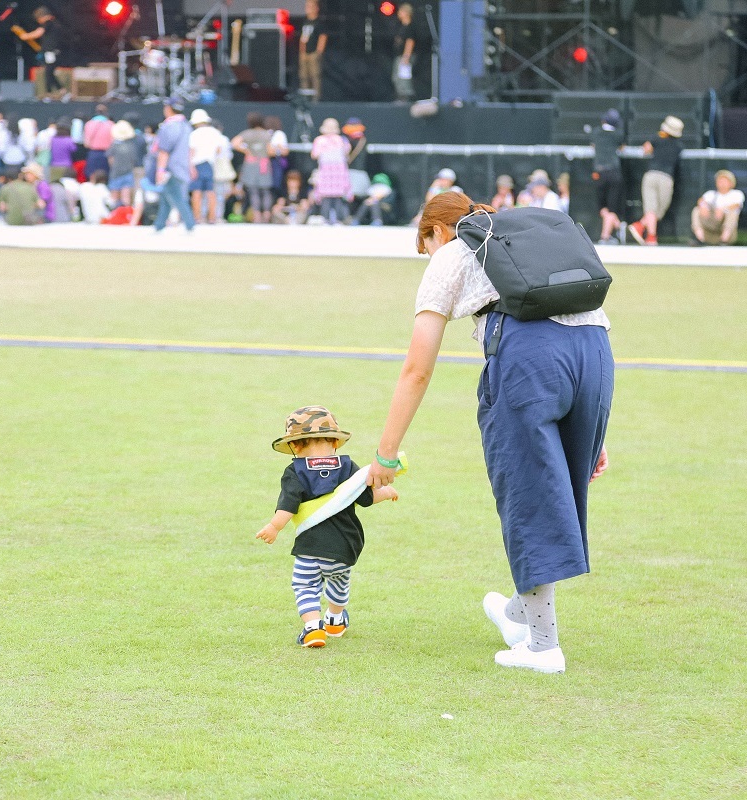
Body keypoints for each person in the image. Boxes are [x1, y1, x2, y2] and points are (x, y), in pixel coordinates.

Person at [367, 191, 613, 673]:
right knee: (552, 493)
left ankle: (544, 648)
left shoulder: (455, 249)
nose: (429, 256)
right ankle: (515, 615)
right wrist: (596, 429)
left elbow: (417, 367)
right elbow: (585, 320)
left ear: (435, 231)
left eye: (426, 246)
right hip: (597, 356)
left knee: (528, 495)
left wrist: (385, 454)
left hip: (529, 359)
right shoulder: (527, 240)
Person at [256, 406, 398, 647]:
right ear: (335, 441)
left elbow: (287, 506)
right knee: (339, 581)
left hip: (310, 548)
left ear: (296, 445)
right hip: (345, 547)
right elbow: (366, 498)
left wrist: (274, 527)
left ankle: (313, 628)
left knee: (305, 585)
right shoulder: (348, 467)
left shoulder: (295, 471)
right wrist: (385, 493)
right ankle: (334, 619)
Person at [627, 115, 684, 246]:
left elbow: (645, 149)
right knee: (657, 209)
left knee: (653, 209)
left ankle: (640, 225)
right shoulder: (678, 146)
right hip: (666, 178)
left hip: (652, 175)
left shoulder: (657, 139)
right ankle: (651, 237)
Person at [151, 99, 196, 232]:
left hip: (171, 168)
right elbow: (189, 149)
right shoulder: (186, 126)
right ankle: (159, 225)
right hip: (182, 167)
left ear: (168, 108)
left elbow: (164, 151)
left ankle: (190, 223)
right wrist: (190, 166)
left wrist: (160, 170)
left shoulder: (169, 126)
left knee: (176, 196)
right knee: (166, 196)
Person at [231, 112, 274, 224]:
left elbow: (234, 143)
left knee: (253, 190)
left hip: (251, 163)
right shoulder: (266, 134)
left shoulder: (247, 133)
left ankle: (257, 216)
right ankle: (267, 214)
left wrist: (247, 151)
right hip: (264, 164)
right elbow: (270, 151)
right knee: (265, 190)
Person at [592, 108, 625, 245]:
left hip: (598, 172)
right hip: (613, 172)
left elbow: (593, 146)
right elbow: (621, 148)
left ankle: (612, 230)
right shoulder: (618, 134)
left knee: (603, 207)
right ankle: (606, 235)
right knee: (611, 207)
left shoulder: (596, 132)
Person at [311, 117, 351, 224]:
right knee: (333, 197)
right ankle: (334, 219)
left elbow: (314, 154)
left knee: (330, 197)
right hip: (334, 171)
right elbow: (347, 152)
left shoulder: (321, 140)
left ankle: (329, 218)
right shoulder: (339, 140)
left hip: (331, 171)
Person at [690, 169, 743, 245]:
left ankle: (724, 240)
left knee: (733, 213)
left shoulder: (736, 194)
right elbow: (701, 201)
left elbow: (736, 205)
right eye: (720, 181)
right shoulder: (711, 194)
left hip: (726, 232)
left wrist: (723, 209)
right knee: (696, 210)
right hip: (710, 231)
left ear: (731, 183)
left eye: (725, 181)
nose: (722, 183)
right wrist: (703, 206)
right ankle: (699, 238)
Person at [19, 7, 63, 97]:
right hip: (51, 52)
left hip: (51, 52)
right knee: (48, 72)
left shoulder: (49, 23)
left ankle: (56, 91)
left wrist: (25, 36)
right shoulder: (55, 23)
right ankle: (55, 91)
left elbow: (39, 32)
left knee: (48, 72)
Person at [187, 109, 220, 224]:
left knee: (196, 191)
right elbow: (218, 150)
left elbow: (191, 151)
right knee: (210, 191)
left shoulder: (194, 134)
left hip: (197, 164)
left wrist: (190, 167)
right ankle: (212, 217)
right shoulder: (215, 132)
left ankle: (197, 217)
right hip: (210, 164)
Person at [298, 0, 328, 101]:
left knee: (315, 75)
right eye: (307, 6)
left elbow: (323, 37)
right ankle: (305, 97)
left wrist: (319, 51)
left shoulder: (319, 22)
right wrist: (301, 50)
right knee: (304, 76)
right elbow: (303, 37)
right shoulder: (305, 22)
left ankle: (316, 98)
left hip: (314, 53)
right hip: (304, 53)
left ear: (316, 8)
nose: (308, 9)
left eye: (311, 6)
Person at [105, 120, 138, 208]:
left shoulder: (114, 145)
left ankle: (114, 216)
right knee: (126, 198)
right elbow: (133, 160)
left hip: (116, 173)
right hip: (128, 172)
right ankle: (125, 215)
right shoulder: (131, 145)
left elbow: (110, 160)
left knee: (114, 197)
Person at [82, 105, 113, 180]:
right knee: (104, 177)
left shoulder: (89, 124)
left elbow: (86, 143)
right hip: (106, 154)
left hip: (93, 153)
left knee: (91, 177)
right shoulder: (111, 124)